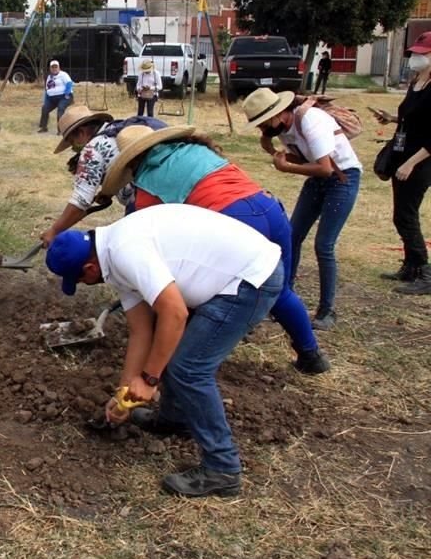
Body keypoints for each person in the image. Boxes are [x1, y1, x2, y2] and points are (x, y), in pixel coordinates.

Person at [46, 204, 284, 497]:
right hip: (232, 274)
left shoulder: (125, 252)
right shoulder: (111, 253)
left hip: (249, 280)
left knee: (189, 368)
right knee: (168, 349)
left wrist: (149, 380)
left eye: (80, 280)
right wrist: (124, 397)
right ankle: (175, 419)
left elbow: (174, 313)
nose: (84, 284)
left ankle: (222, 468)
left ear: (89, 269)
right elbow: (141, 331)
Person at [106, 124, 332, 373]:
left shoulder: (150, 179)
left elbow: (148, 237)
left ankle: (182, 358)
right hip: (268, 207)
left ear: (133, 160)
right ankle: (311, 355)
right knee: (279, 289)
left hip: (236, 218)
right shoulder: (194, 150)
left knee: (201, 289)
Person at [244, 88, 362, 330]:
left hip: (343, 178)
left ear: (278, 114)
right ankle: (284, 300)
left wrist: (286, 168)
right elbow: (306, 158)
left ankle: (326, 311)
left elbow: (325, 168)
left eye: (263, 123)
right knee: (291, 236)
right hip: (320, 179)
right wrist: (274, 152)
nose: (262, 129)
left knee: (324, 245)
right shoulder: (284, 128)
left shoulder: (310, 120)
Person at [41, 106, 164, 245]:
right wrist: (108, 191)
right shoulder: (117, 131)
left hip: (146, 202)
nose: (73, 148)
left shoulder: (92, 149)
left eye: (71, 142)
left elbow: (80, 201)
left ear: (81, 133)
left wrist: (54, 231)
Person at [373, 31, 431, 295]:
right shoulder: (416, 81)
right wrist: (392, 119)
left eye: (422, 54)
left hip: (420, 160)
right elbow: (413, 119)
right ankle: (410, 266)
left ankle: (423, 270)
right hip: (402, 153)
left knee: (406, 215)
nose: (415, 58)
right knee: (401, 214)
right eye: (415, 53)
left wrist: (411, 163)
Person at [38, 60, 73, 134]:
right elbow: (47, 90)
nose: (54, 69)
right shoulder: (49, 77)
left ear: (59, 67)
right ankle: (44, 127)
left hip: (64, 97)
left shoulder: (63, 75)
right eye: (52, 67)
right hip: (52, 98)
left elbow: (69, 84)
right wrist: (45, 101)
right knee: (44, 108)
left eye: (56, 67)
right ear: (50, 68)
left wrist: (67, 94)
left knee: (60, 109)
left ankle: (61, 129)